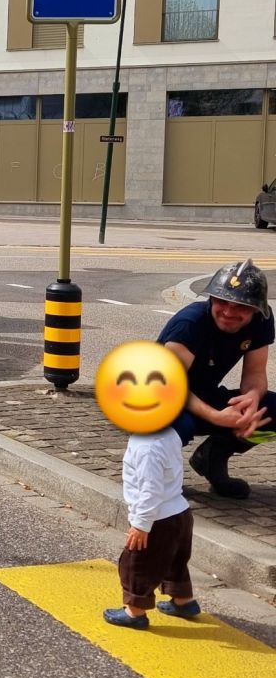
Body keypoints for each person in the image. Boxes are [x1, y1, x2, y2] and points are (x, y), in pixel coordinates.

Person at [157, 259, 275, 499]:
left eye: (241, 306)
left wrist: (252, 399)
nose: (229, 312)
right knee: (176, 423)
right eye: (222, 302)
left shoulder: (262, 320)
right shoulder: (189, 324)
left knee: (271, 410)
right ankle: (157, 474)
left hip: (203, 394)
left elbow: (255, 375)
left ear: (256, 309)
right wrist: (216, 416)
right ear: (211, 298)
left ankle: (213, 457)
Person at [103, 425, 200, 629]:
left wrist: (141, 524)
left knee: (136, 564)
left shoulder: (146, 447)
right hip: (180, 512)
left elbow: (151, 490)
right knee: (174, 561)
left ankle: (135, 612)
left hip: (157, 519)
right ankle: (183, 600)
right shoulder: (170, 433)